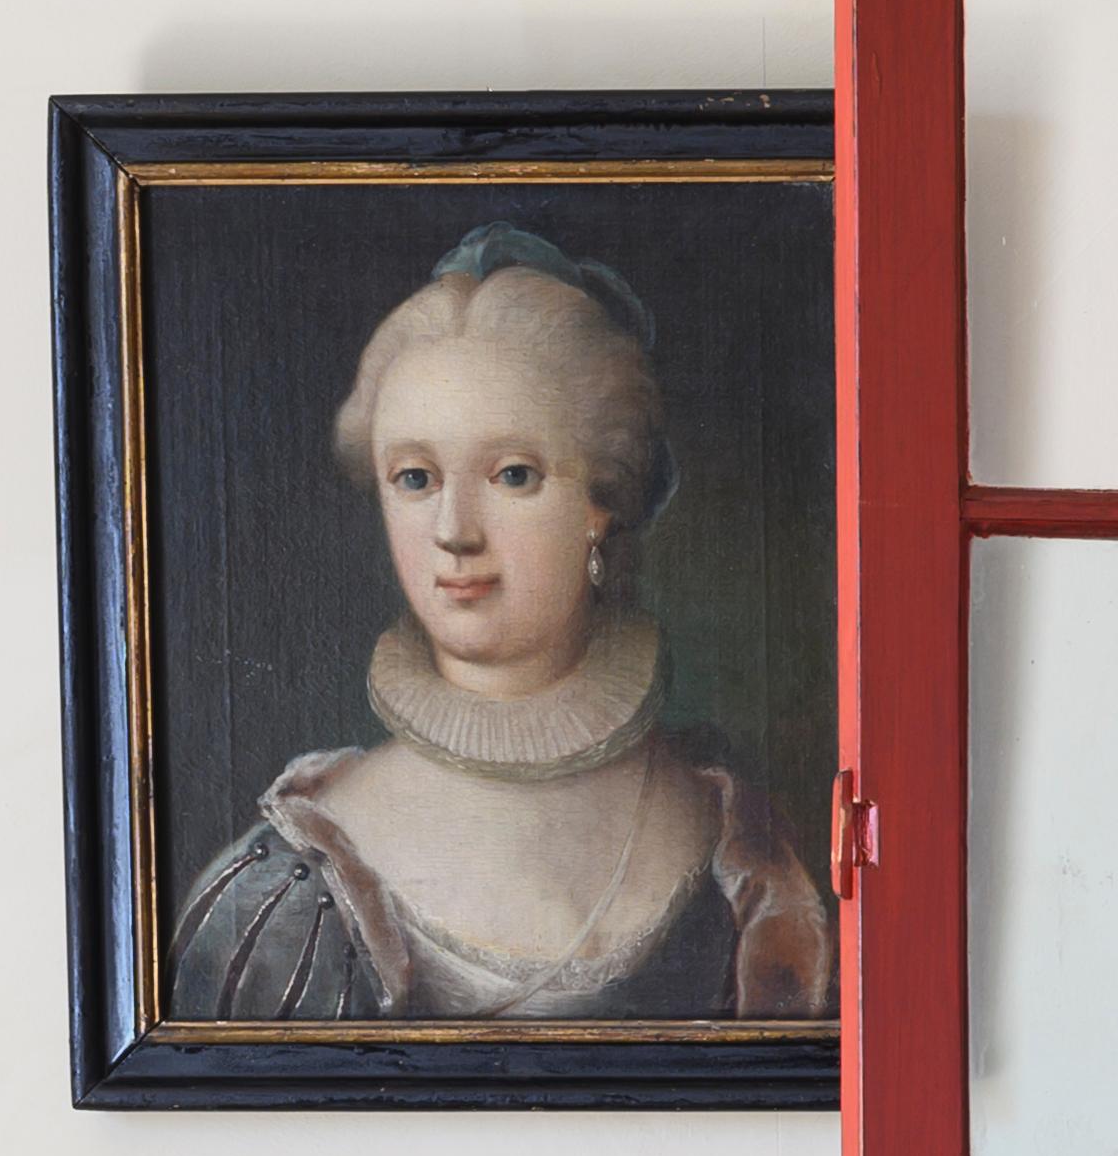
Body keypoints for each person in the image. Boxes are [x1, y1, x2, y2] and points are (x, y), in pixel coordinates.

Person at [170, 224, 831, 1024]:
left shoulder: (744, 857)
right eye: (414, 477)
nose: (454, 528)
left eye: (513, 474)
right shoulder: (284, 891)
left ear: (603, 502)